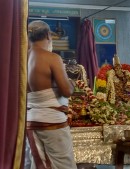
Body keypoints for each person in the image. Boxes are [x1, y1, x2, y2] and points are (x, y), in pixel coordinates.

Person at [25, 20, 77, 169]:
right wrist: (72, 84)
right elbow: (66, 91)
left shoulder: (22, 59)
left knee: (38, 164)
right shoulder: (52, 58)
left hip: (31, 121)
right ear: (48, 35)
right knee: (63, 165)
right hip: (52, 122)